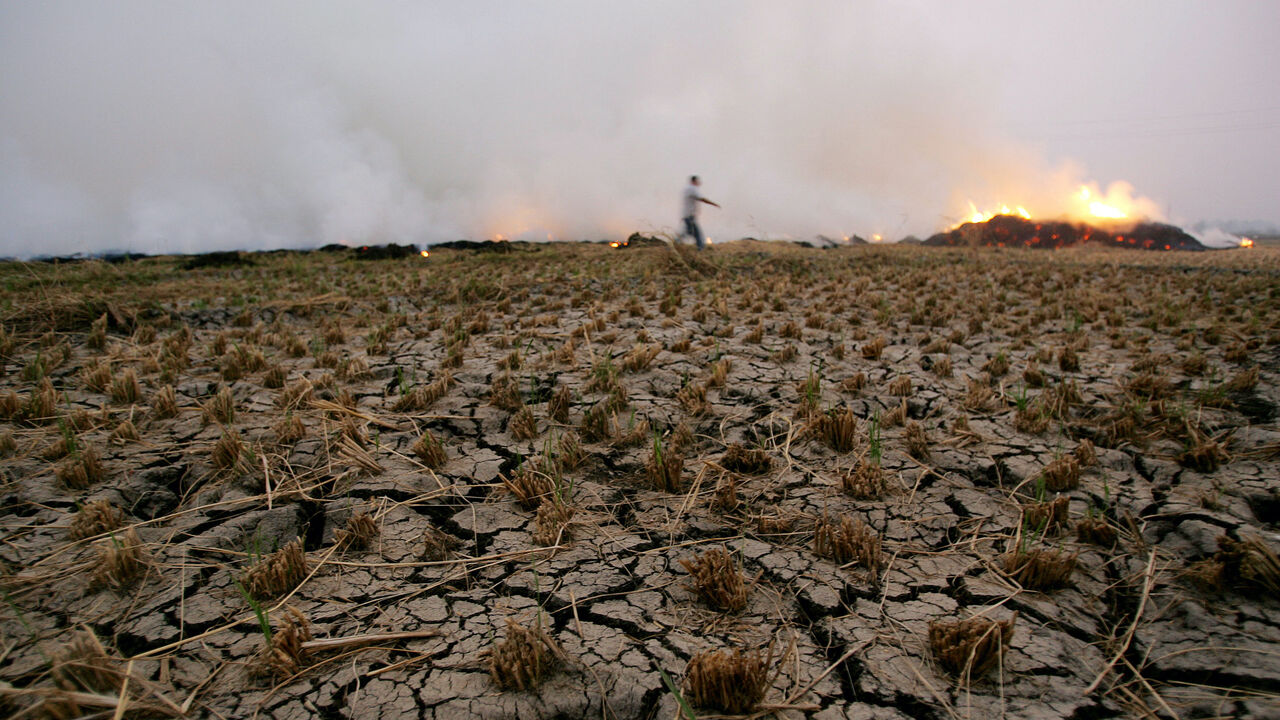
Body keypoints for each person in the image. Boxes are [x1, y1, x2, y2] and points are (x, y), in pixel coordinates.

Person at [679, 175, 720, 250]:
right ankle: (700, 249)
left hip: (687, 215)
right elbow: (702, 199)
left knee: (689, 232)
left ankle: (675, 242)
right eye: (697, 181)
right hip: (689, 216)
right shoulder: (692, 189)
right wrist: (714, 204)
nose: (699, 183)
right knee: (697, 234)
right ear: (694, 181)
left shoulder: (687, 189)